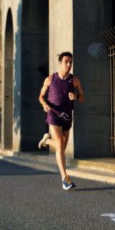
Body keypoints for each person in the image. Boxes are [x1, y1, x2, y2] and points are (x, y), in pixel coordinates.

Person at [38, 52, 85, 190]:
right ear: (60, 63)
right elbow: (40, 96)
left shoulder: (75, 80)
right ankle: (65, 179)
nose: (69, 64)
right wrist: (44, 104)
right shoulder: (50, 79)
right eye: (66, 61)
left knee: (62, 147)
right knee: (59, 144)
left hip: (67, 116)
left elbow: (83, 97)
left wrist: (76, 97)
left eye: (70, 62)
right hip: (53, 114)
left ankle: (46, 140)